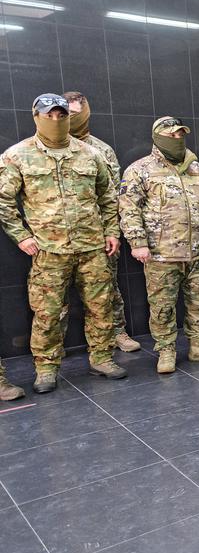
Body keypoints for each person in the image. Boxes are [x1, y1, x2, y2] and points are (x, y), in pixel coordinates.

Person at [0, 94, 127, 393]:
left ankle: (102, 358)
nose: (56, 120)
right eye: (50, 116)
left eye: (61, 115)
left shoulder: (89, 153)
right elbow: (3, 201)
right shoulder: (17, 156)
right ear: (37, 117)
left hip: (92, 246)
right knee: (48, 313)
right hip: (49, 250)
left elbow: (108, 196)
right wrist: (22, 236)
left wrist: (111, 231)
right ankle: (46, 368)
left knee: (101, 307)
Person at [119, 117, 199, 374]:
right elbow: (128, 209)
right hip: (161, 254)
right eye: (172, 136)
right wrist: (137, 242)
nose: (177, 140)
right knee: (162, 306)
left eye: (181, 135)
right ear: (158, 138)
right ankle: (166, 350)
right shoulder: (140, 170)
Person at [63, 91, 140, 353]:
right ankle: (54, 344)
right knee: (55, 295)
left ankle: (116, 333)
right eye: (67, 114)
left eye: (76, 115)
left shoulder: (102, 150)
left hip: (98, 234)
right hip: (57, 237)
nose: (70, 120)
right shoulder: (44, 147)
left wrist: (113, 232)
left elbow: (113, 195)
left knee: (107, 288)